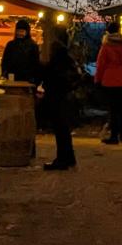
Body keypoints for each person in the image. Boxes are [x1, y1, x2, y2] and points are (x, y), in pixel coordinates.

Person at [40, 26, 81, 170]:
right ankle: (68, 157)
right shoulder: (65, 52)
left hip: (57, 93)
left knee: (60, 127)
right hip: (63, 93)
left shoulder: (57, 51)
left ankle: (62, 159)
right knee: (63, 127)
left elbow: (52, 72)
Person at [94, 21, 122, 144]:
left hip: (109, 80)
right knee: (121, 108)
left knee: (113, 109)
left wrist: (97, 80)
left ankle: (114, 136)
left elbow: (101, 65)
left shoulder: (106, 46)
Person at [0, 19, 41, 84]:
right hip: (12, 77)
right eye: (18, 31)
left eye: (22, 31)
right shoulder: (10, 44)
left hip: (27, 79)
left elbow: (35, 64)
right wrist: (4, 73)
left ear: (27, 32)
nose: (19, 33)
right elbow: (5, 61)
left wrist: (34, 79)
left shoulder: (33, 46)